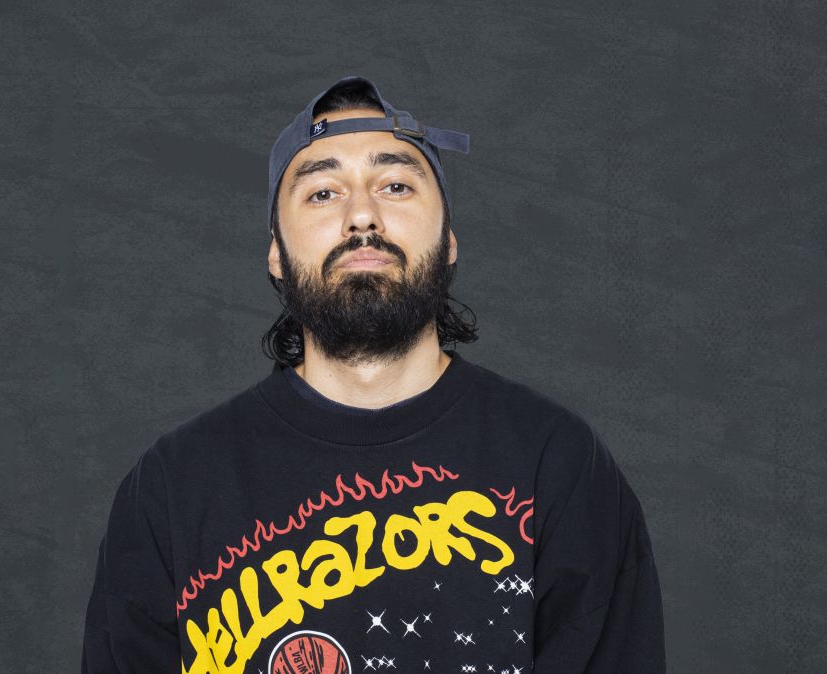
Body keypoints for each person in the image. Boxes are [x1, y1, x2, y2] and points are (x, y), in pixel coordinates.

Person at [81, 75, 666, 674]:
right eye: (322, 193)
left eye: (395, 185)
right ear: (277, 253)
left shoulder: (557, 464)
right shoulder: (172, 489)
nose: (362, 215)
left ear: (449, 240)